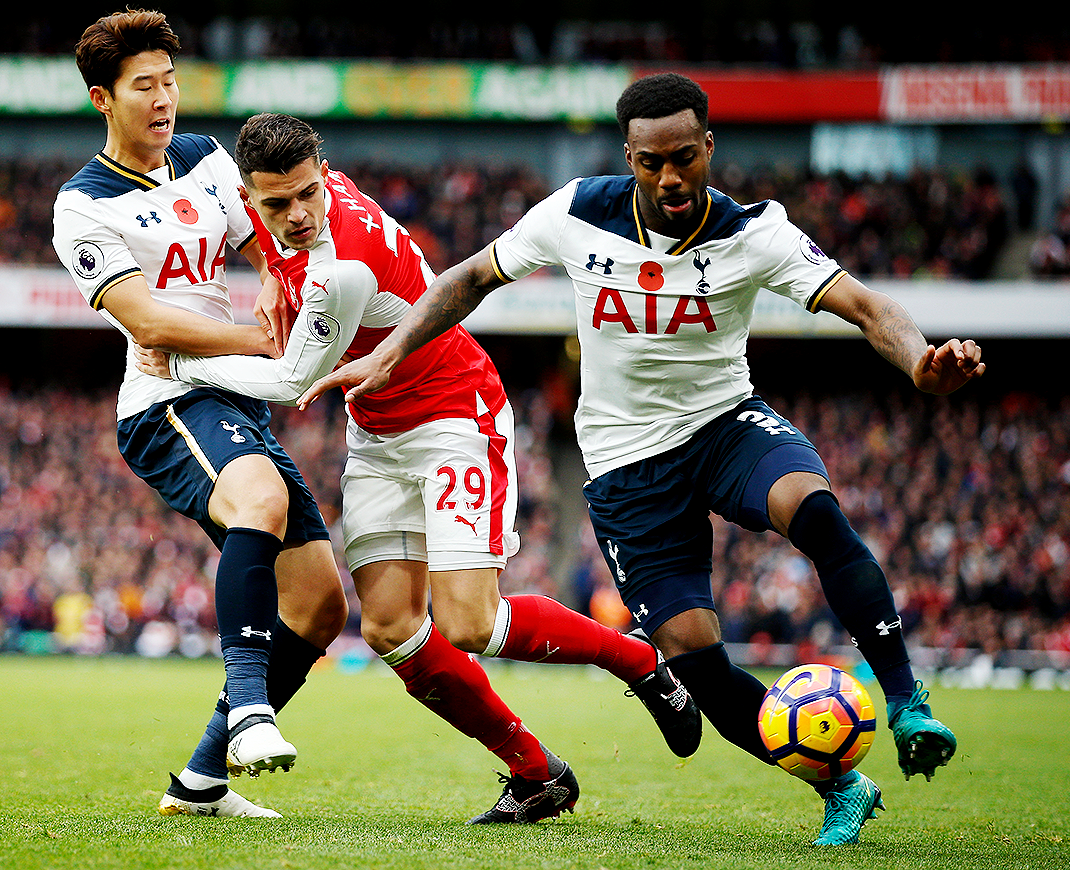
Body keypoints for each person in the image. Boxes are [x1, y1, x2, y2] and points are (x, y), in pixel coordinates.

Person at [299, 72, 986, 845]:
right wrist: (392, 351)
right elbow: (469, 278)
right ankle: (841, 786)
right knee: (697, 663)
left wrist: (920, 360)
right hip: (627, 467)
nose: (670, 178)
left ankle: (906, 701)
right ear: (629, 157)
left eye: (685, 158)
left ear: (708, 148)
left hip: (724, 426)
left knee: (813, 508)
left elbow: (867, 305)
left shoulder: (753, 232)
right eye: (651, 162)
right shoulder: (576, 213)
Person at [134, 111, 700, 824]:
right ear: (251, 199)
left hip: (454, 416)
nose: (298, 215)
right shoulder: (296, 208)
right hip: (377, 433)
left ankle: (639, 662)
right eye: (277, 205)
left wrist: (179, 364)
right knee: (390, 629)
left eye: (307, 195)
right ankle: (537, 774)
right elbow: (250, 220)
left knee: (469, 622)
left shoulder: (340, 268)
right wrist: (269, 272)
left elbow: (292, 382)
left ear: (323, 175)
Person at [51, 10, 348, 819]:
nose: (163, 99)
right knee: (261, 499)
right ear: (102, 99)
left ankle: (201, 783)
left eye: (170, 82)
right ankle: (249, 709)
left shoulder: (206, 157)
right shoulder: (82, 206)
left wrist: (272, 278)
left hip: (233, 395)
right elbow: (147, 321)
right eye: (143, 86)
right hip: (165, 402)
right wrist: (259, 337)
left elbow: (267, 239)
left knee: (320, 603)